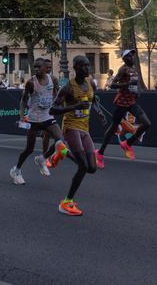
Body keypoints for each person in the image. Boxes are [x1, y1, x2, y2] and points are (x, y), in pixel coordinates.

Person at [49, 55, 104, 217]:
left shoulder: (91, 83)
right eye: (85, 66)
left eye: (89, 66)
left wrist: (100, 113)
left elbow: (94, 101)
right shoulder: (68, 88)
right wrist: (74, 106)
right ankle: (66, 202)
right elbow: (53, 110)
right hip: (71, 128)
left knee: (92, 168)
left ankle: (61, 150)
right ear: (77, 68)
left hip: (84, 129)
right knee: (83, 166)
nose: (89, 69)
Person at [11, 58, 64, 184]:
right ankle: (16, 170)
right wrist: (21, 116)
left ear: (46, 68)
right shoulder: (31, 82)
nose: (36, 69)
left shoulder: (53, 79)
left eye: (39, 67)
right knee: (29, 149)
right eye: (34, 67)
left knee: (61, 140)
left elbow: (57, 95)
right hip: (34, 119)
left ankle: (42, 158)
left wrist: (60, 105)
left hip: (47, 117)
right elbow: (23, 100)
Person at [96, 50, 151, 168]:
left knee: (147, 123)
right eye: (129, 56)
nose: (131, 57)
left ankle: (127, 143)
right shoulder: (123, 69)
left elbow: (136, 84)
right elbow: (113, 84)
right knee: (113, 128)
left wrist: (138, 92)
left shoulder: (134, 68)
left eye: (132, 55)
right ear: (124, 58)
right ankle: (100, 154)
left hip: (132, 102)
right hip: (121, 103)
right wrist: (126, 84)